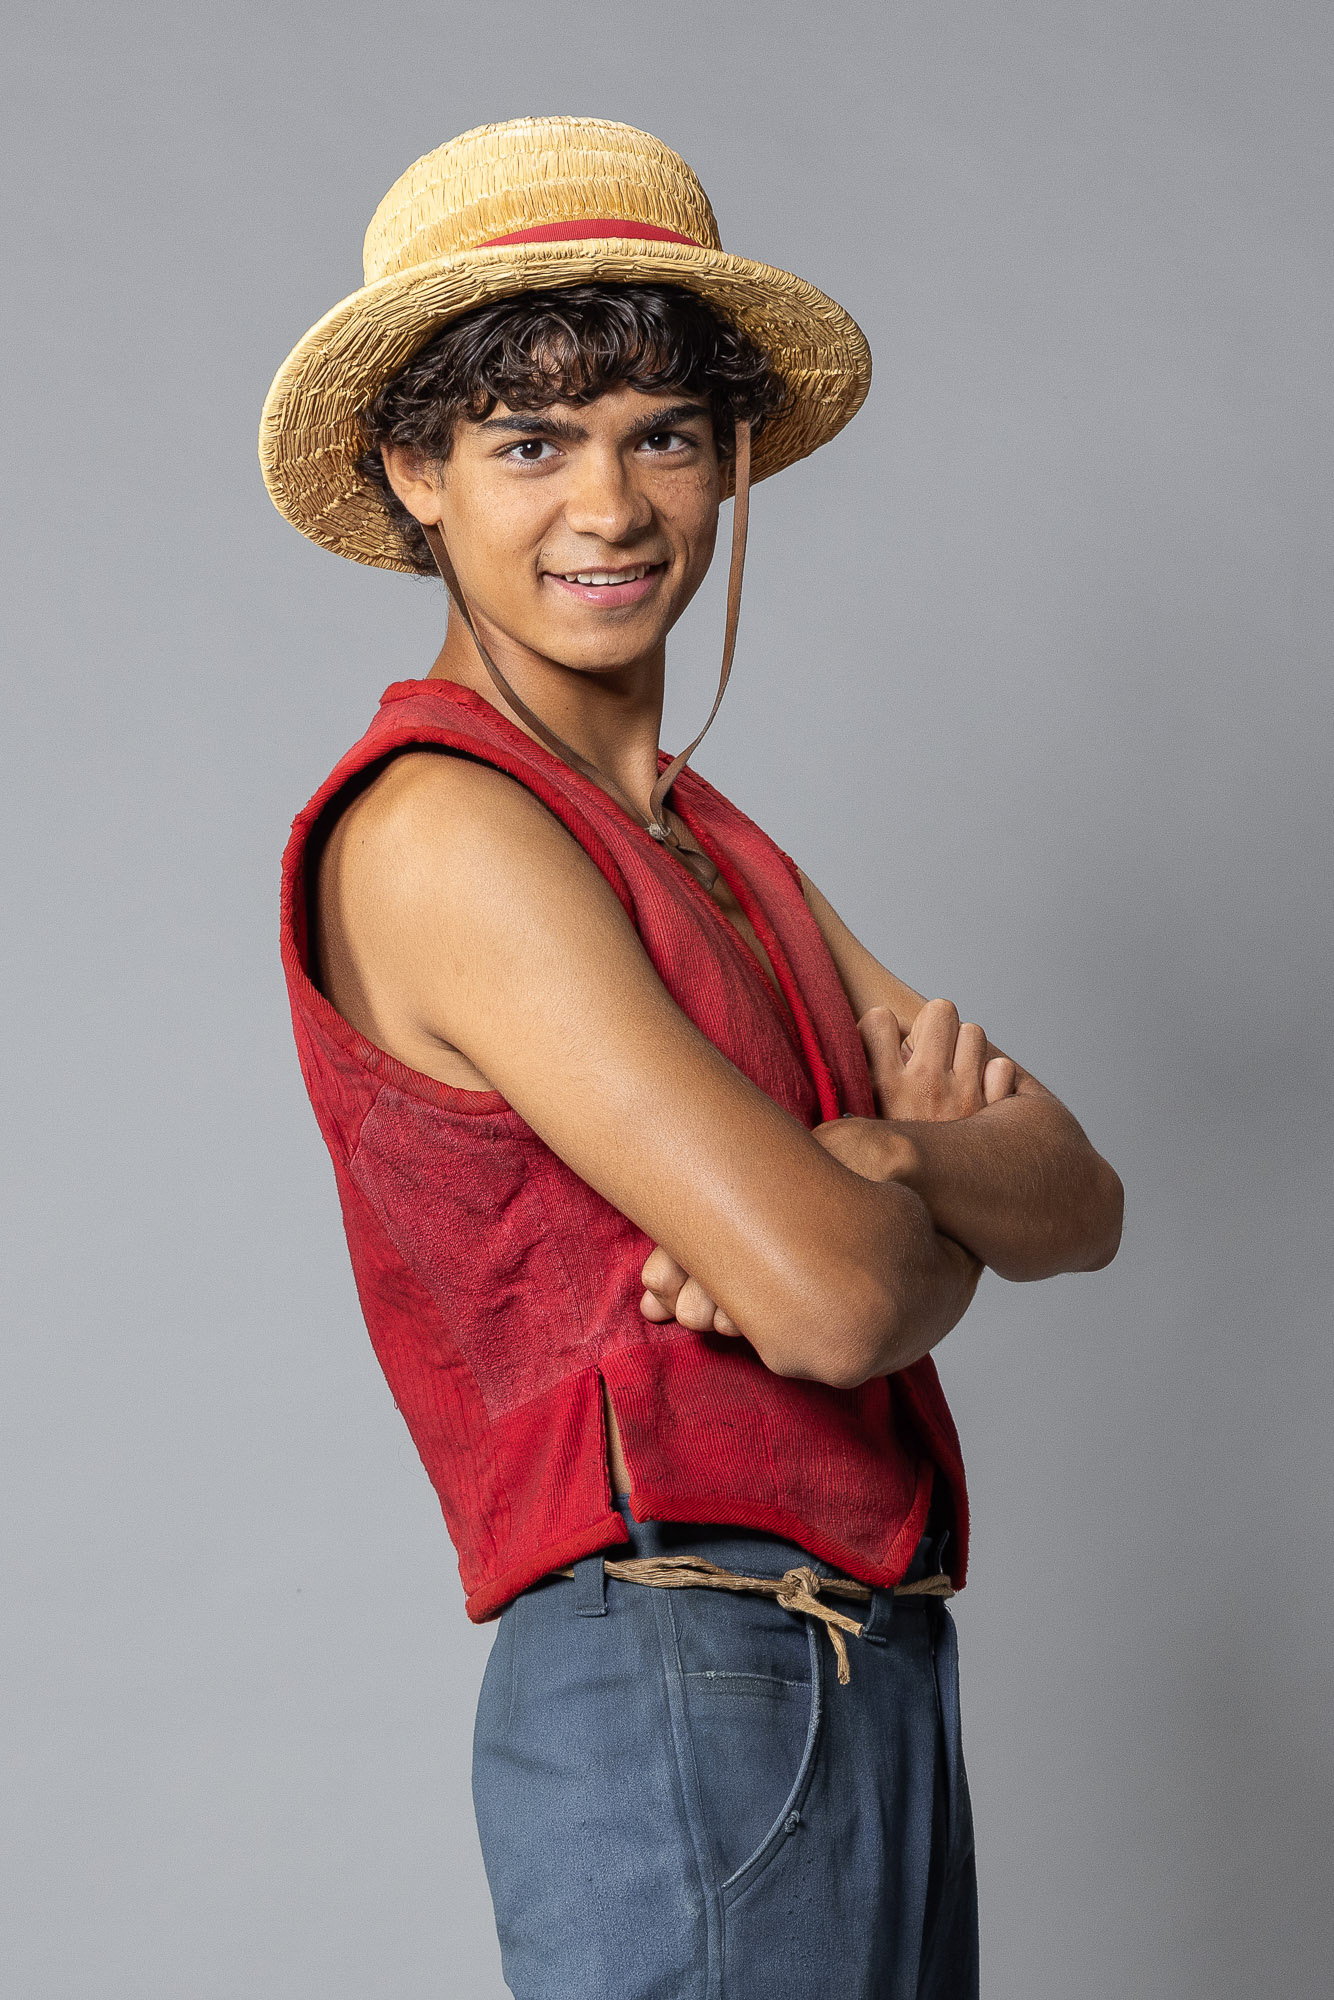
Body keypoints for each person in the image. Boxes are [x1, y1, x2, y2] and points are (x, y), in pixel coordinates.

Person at [260, 116, 1122, 2000]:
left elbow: (1077, 1195)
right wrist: (855, 1203)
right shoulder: (444, 827)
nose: (609, 505)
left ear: (731, 461)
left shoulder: (710, 843)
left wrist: (891, 1169)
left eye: (663, 431)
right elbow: (823, 1309)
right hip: (682, 1658)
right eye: (528, 443)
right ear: (415, 472)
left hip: (859, 1660)